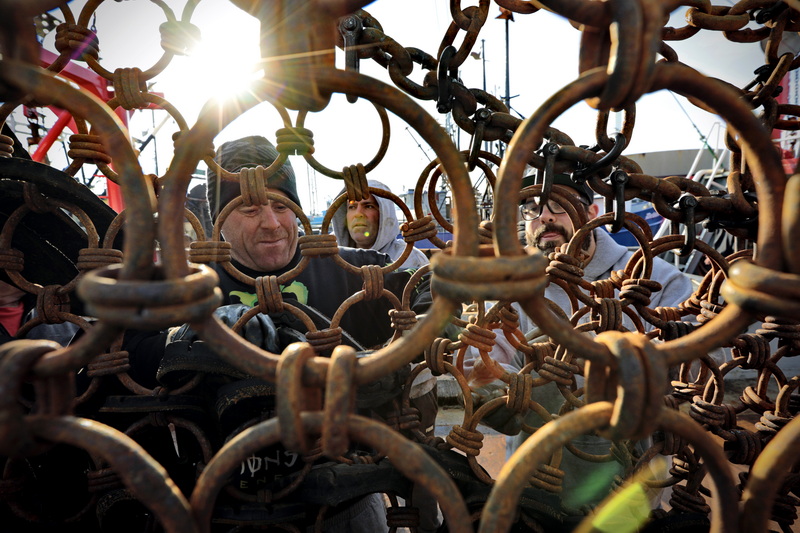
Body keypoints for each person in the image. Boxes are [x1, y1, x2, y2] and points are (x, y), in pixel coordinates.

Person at [464, 172, 695, 511]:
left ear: (590, 214)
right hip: (537, 479)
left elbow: (696, 370)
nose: (544, 216)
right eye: (531, 209)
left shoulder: (653, 276)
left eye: (558, 205)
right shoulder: (508, 289)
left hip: (631, 479)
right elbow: (488, 395)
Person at [330, 179, 429, 269]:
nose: (358, 214)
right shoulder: (329, 256)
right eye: (352, 207)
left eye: (368, 206)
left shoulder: (410, 260)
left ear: (385, 214)